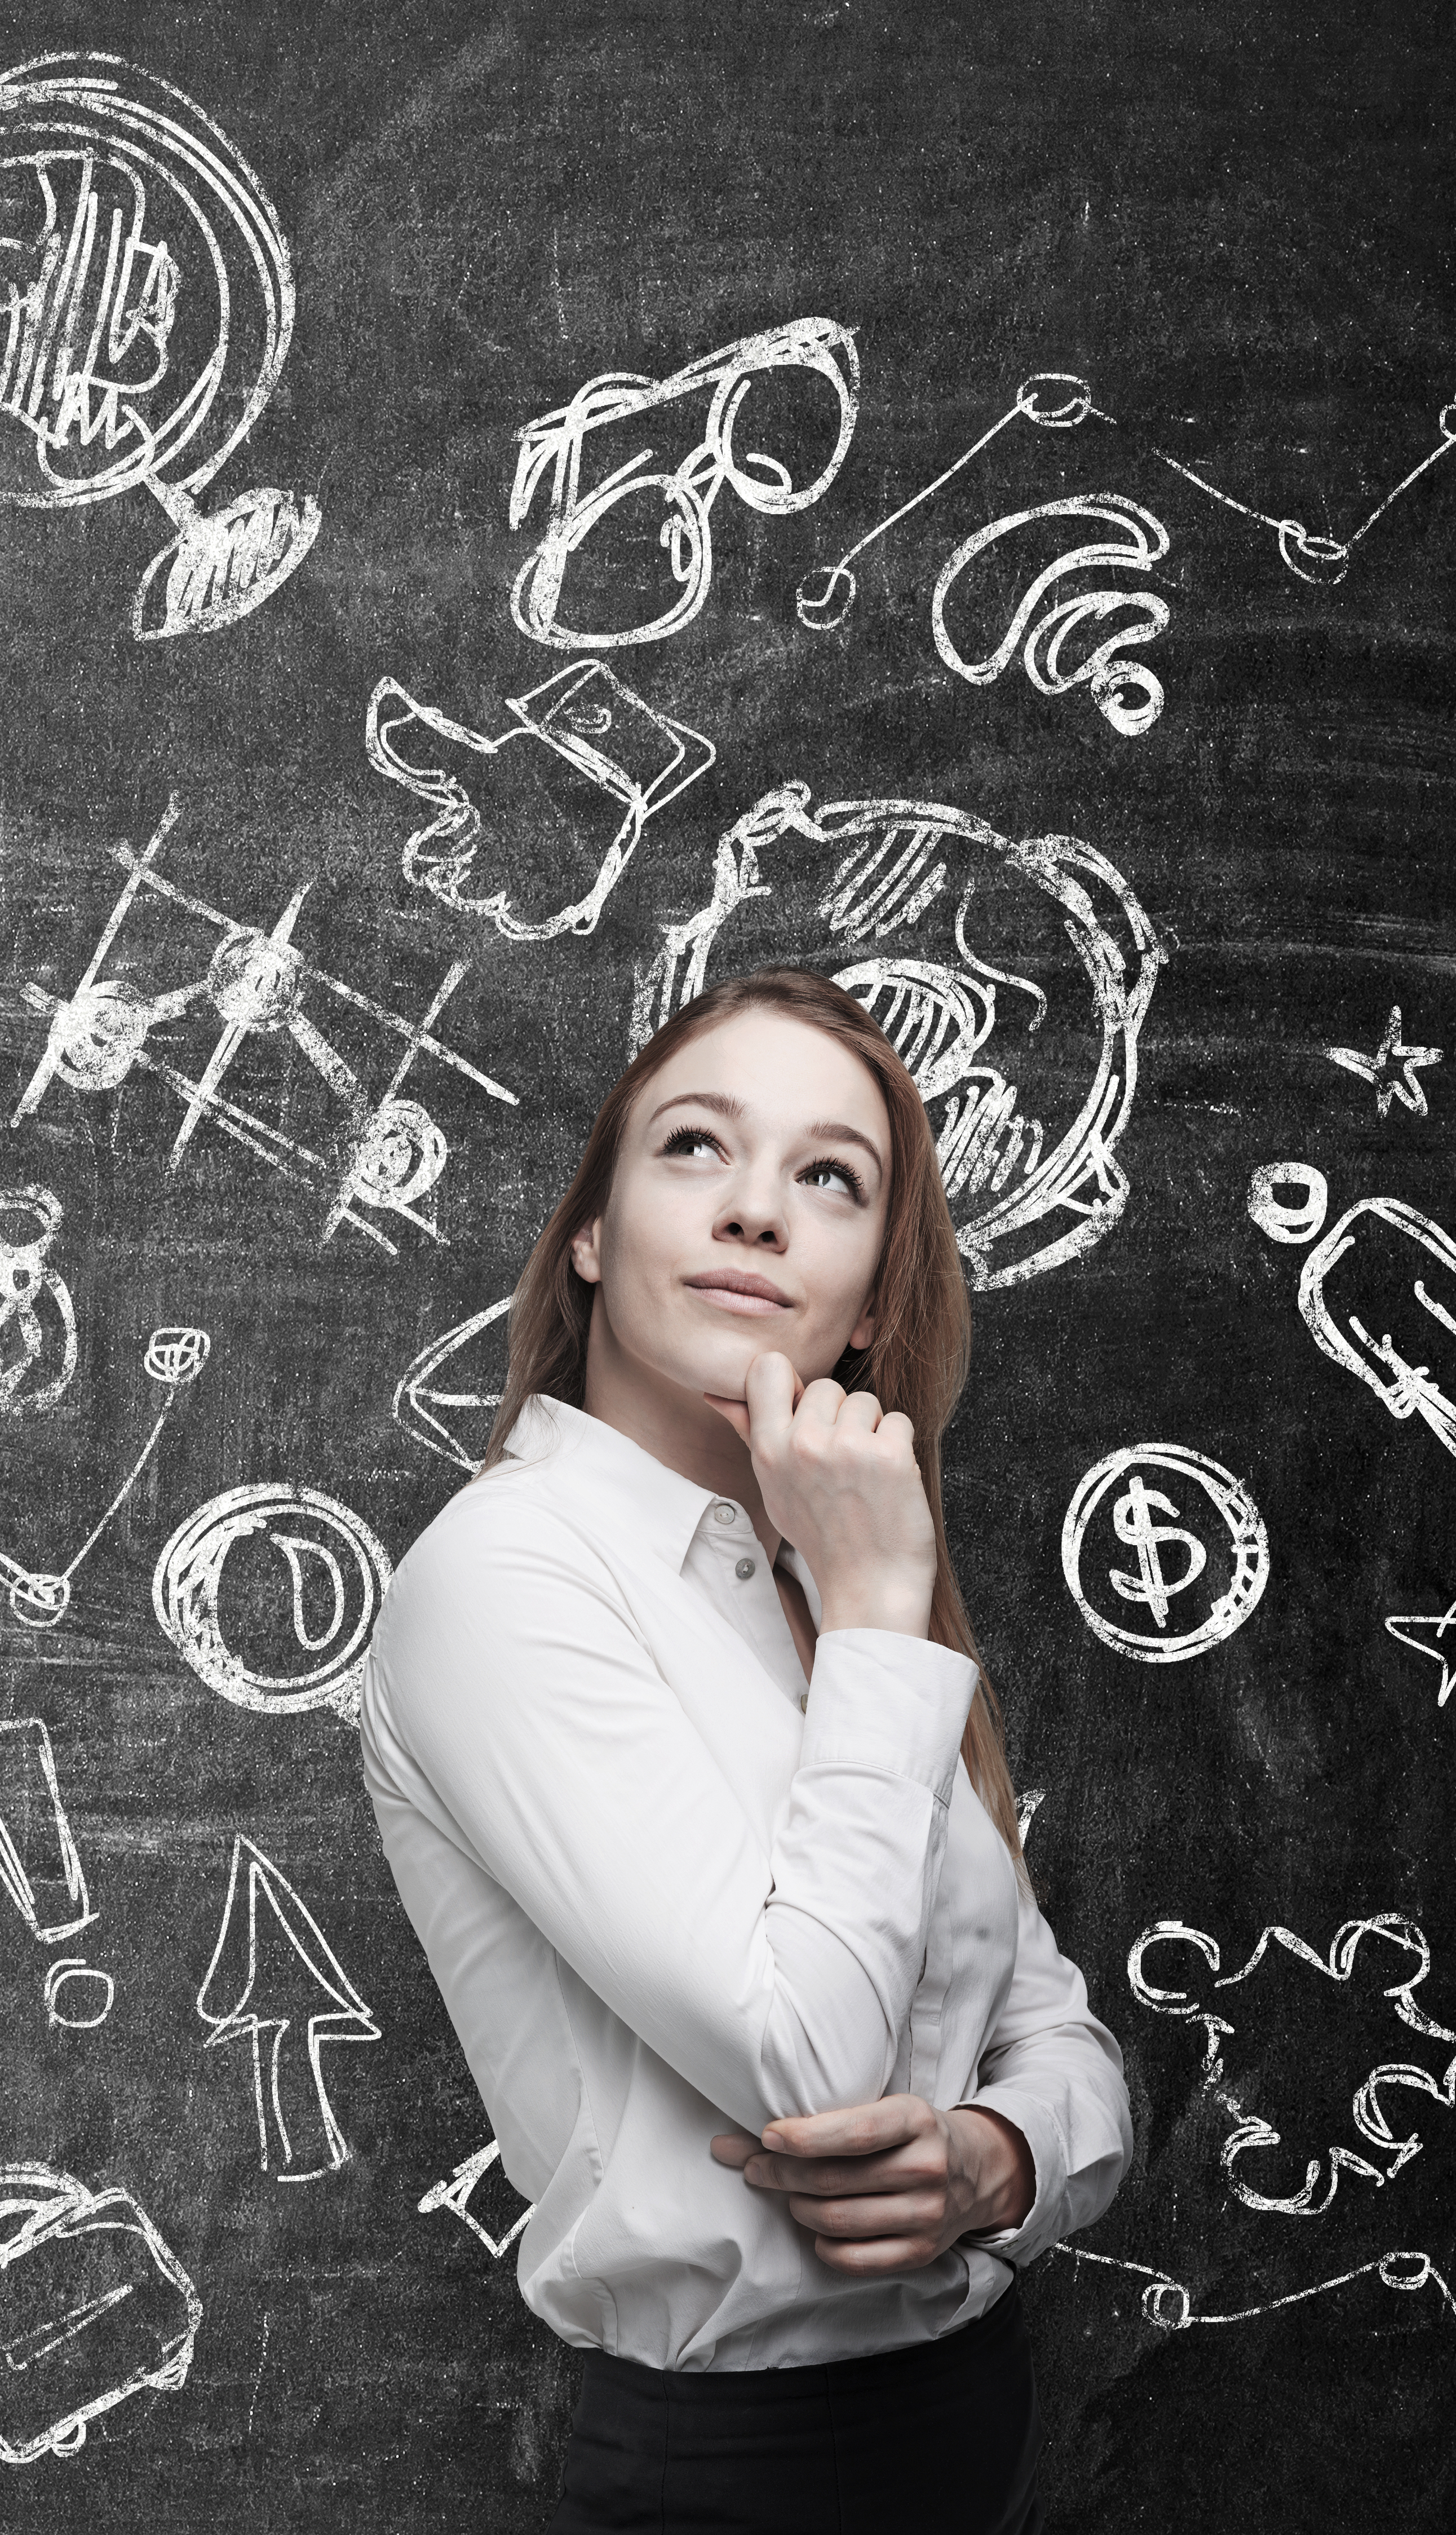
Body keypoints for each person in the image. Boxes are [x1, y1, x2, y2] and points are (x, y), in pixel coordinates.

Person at [360, 964, 1130, 2533]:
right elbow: (811, 2067)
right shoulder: (508, 1574)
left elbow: (1062, 2036)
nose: (757, 1210)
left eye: (828, 1177)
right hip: (741, 2474)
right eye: (696, 1147)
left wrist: (997, 2159)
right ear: (591, 1233)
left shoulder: (816, 1583)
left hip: (965, 2421)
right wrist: (874, 1612)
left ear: (874, 1302)